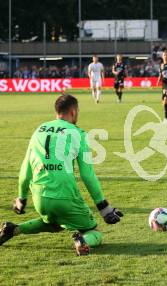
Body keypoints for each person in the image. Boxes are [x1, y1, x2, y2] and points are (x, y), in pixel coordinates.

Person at [0, 94, 123, 256]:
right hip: (65, 197)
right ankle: (83, 241)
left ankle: (14, 229)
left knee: (55, 222)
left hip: (40, 197)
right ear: (73, 112)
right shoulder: (78, 133)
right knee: (94, 232)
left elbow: (25, 170)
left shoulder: (39, 130)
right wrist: (104, 208)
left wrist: (21, 199)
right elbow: (87, 175)